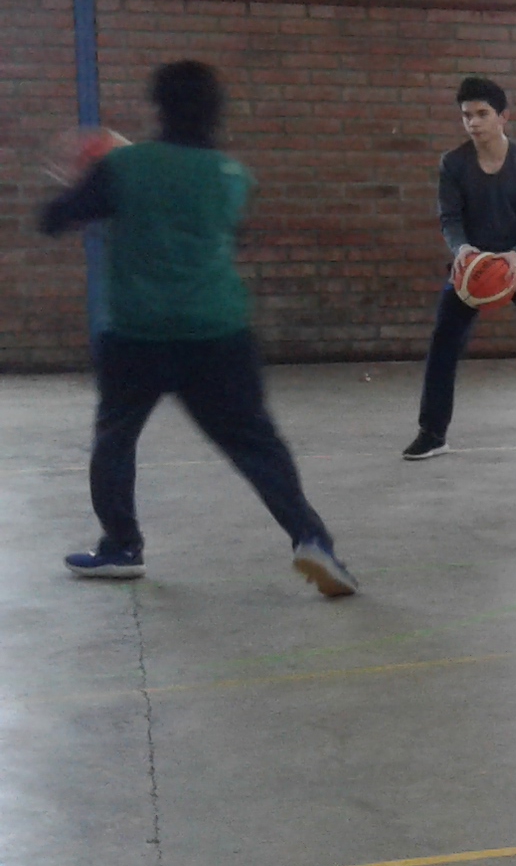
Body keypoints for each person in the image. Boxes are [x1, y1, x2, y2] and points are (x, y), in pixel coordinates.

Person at [36, 60, 357, 596]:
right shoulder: (233, 176)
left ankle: (121, 547)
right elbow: (229, 236)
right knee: (257, 445)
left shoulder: (123, 166)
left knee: (115, 438)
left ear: (157, 106)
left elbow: (54, 219)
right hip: (218, 333)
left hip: (136, 334)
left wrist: (84, 179)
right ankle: (311, 540)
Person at [403, 77, 516, 459]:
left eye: (482, 114)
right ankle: (432, 433)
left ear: (503, 117)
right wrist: (463, 250)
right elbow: (449, 219)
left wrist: (515, 257)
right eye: (466, 115)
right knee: (443, 344)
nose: (473, 122)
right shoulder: (453, 164)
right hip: (473, 269)